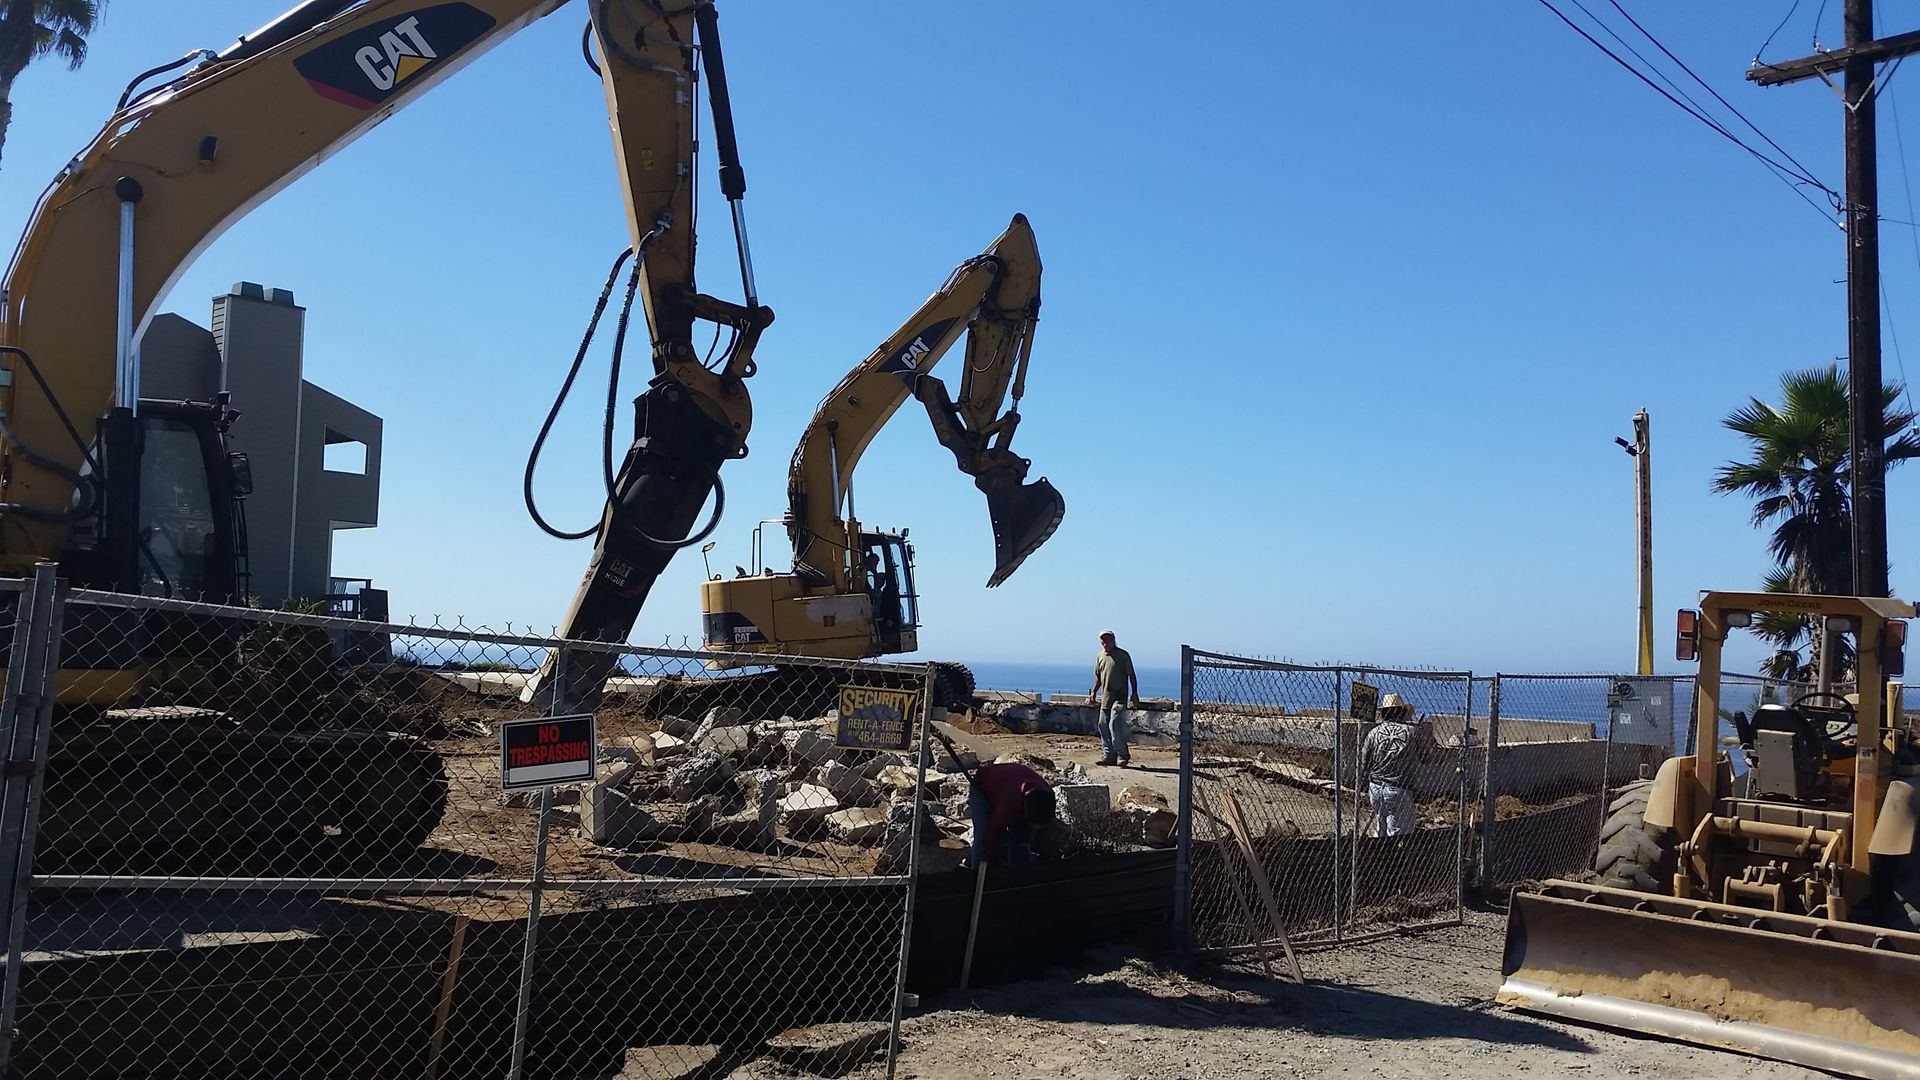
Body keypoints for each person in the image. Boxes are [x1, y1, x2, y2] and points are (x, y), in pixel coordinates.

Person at [967, 760, 1058, 866]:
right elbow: (994, 831)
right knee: (983, 837)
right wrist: (990, 859)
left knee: (1020, 839)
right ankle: (978, 871)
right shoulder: (1010, 802)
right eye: (1033, 824)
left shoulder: (1047, 796)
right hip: (982, 785)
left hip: (1009, 783)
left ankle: (1019, 870)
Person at [1358, 693, 1419, 838]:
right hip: (1399, 788)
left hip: (1375, 787)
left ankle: (1378, 850)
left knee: (1381, 826)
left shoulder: (1373, 733)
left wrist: (1363, 782)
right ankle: (1394, 851)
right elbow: (1428, 757)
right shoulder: (1412, 732)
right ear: (1402, 712)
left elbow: (1364, 761)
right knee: (1398, 833)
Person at [1090, 629, 1140, 767]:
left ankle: (1122, 754)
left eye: (1109, 640)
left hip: (1120, 697)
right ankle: (1109, 756)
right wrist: (1093, 692)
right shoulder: (1100, 656)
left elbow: (1131, 675)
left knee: (1115, 722)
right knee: (1102, 725)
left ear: (1113, 640)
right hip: (1106, 698)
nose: (1106, 643)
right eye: (1104, 640)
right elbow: (1098, 676)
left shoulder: (1123, 655)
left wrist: (1134, 693)